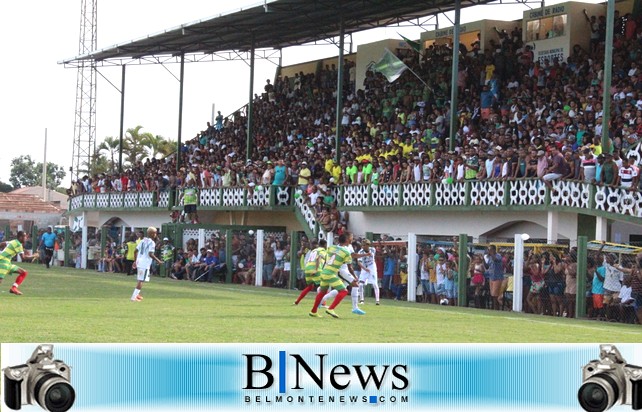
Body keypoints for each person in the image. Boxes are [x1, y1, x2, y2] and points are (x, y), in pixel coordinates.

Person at [309, 232, 356, 318]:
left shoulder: (331, 248)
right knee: (344, 291)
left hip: (324, 272)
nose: (352, 239)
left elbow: (325, 257)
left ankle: (313, 311)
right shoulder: (346, 252)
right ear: (346, 240)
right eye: (351, 237)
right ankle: (331, 309)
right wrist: (355, 277)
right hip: (330, 274)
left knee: (322, 292)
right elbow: (350, 268)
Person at [130, 227, 163, 302]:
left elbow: (135, 251)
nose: (156, 234)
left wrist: (135, 261)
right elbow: (150, 254)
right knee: (141, 280)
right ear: (152, 233)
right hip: (144, 263)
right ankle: (133, 297)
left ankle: (137, 294)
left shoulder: (142, 241)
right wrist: (158, 261)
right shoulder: (152, 243)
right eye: (155, 233)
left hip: (139, 262)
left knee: (140, 279)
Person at [293, 239, 326, 305]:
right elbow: (318, 258)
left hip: (307, 269)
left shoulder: (313, 251)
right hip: (315, 268)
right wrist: (316, 269)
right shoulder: (322, 250)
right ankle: (322, 303)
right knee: (324, 286)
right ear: (325, 245)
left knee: (310, 287)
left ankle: (297, 301)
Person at [0, 231, 29, 295]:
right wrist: (34, 256)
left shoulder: (13, 241)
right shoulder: (18, 244)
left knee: (24, 272)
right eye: (25, 236)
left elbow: (2, 243)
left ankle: (14, 288)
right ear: (21, 237)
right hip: (3, 262)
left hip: (7, 263)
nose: (26, 238)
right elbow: (23, 258)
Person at [357, 239, 380, 305]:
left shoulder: (373, 249)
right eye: (363, 245)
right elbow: (359, 262)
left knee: (375, 284)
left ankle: (377, 300)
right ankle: (361, 300)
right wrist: (365, 269)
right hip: (364, 267)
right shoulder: (360, 252)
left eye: (365, 245)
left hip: (372, 266)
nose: (363, 247)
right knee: (360, 284)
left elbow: (372, 256)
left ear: (368, 245)